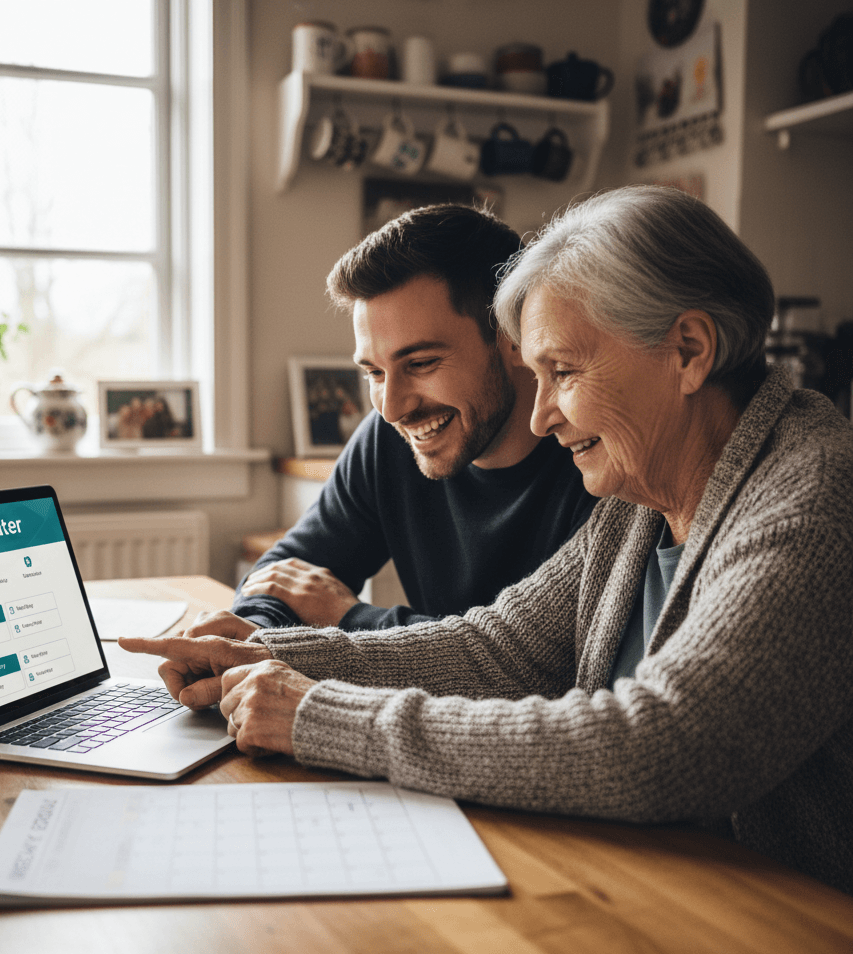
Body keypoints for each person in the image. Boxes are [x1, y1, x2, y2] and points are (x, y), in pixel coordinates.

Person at [122, 185, 853, 894]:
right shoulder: (643, 491)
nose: (540, 418)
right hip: (660, 888)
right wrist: (269, 652)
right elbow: (501, 649)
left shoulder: (811, 500)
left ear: (689, 350)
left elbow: (663, 746)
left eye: (563, 371)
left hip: (795, 938)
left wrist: (319, 715)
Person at [190, 204, 596, 639]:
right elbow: (285, 573)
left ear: (514, 337)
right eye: (374, 373)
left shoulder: (595, 457)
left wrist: (349, 617)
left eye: (421, 363)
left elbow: (543, 660)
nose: (392, 408)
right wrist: (247, 637)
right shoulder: (388, 441)